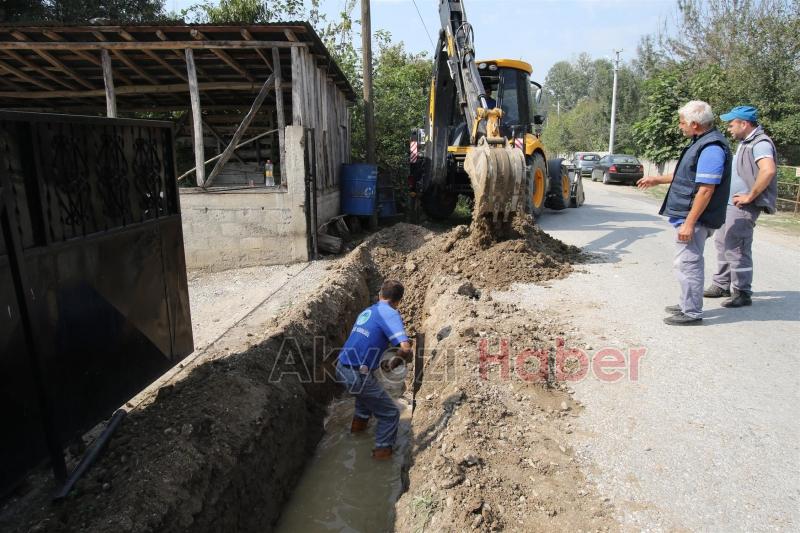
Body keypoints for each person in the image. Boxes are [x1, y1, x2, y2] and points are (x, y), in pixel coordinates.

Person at [637, 100, 732, 326]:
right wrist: (656, 179)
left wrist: (689, 223)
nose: (680, 126)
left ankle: (691, 312)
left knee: (688, 263)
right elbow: (687, 175)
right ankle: (686, 303)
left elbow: (706, 189)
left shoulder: (711, 149)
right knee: (686, 262)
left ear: (694, 124)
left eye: (682, 123)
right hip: (692, 216)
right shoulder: (700, 142)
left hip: (696, 218)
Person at [705, 105, 778, 308]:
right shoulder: (746, 141)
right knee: (722, 243)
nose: (729, 128)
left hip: (743, 206)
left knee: (737, 247)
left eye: (732, 124)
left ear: (744, 124)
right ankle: (721, 284)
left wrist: (750, 196)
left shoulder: (760, 143)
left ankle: (742, 292)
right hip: (729, 204)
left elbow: (768, 170)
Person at [336, 279, 413, 459]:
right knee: (390, 413)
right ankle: (381, 459)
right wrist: (394, 363)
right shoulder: (390, 313)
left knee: (364, 405)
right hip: (357, 374)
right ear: (398, 301)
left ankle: (355, 435)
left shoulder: (368, 311)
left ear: (380, 294)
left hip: (342, 367)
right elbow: (406, 347)